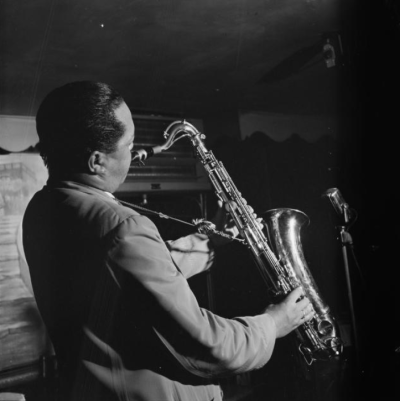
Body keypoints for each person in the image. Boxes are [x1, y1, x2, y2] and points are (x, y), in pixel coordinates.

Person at [22, 81, 314, 401]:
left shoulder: (41, 208)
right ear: (96, 161)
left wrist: (209, 243)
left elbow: (124, 280)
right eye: (130, 144)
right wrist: (273, 323)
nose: (138, 152)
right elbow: (208, 345)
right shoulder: (124, 226)